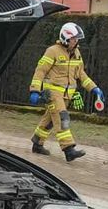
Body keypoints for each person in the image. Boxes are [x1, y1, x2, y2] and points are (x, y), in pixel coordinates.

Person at [28, 22, 104, 162]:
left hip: (66, 95)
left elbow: (81, 74)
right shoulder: (52, 51)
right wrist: (34, 90)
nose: (77, 41)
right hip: (52, 93)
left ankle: (37, 143)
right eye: (74, 38)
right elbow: (40, 71)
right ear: (66, 38)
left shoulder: (76, 53)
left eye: (77, 39)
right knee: (62, 118)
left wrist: (94, 88)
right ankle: (69, 149)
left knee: (50, 120)